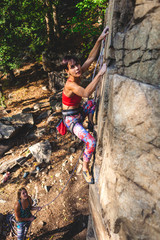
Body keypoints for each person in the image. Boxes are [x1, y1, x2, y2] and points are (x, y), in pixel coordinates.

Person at [61, 26, 109, 184]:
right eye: (72, 67)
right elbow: (86, 92)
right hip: (71, 120)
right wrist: (100, 74)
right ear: (67, 71)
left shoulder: (78, 74)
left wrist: (99, 39)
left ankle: (89, 121)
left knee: (93, 104)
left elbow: (90, 58)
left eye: (77, 65)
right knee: (91, 142)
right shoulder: (70, 84)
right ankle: (85, 168)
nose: (77, 68)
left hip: (79, 112)